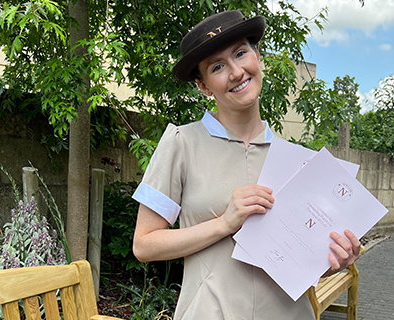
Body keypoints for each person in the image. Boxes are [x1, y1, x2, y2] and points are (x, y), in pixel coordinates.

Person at [132, 10, 361, 320]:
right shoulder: (181, 143)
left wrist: (334, 259)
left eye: (241, 53)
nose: (236, 72)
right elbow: (144, 245)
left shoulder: (299, 161)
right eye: (217, 67)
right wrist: (224, 223)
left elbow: (302, 265)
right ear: (203, 86)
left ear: (258, 58)